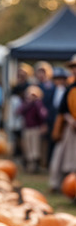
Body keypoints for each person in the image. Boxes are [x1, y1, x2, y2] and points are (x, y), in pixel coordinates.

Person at [48, 55, 76, 192]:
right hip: (71, 128)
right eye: (73, 68)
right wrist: (70, 119)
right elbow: (63, 109)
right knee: (64, 157)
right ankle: (60, 184)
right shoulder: (70, 88)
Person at [17, 85, 48, 173]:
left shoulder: (38, 104)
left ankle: (35, 166)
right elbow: (19, 111)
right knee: (28, 147)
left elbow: (43, 115)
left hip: (35, 128)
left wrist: (37, 103)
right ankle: (30, 165)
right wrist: (29, 103)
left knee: (35, 147)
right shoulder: (25, 104)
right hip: (27, 128)